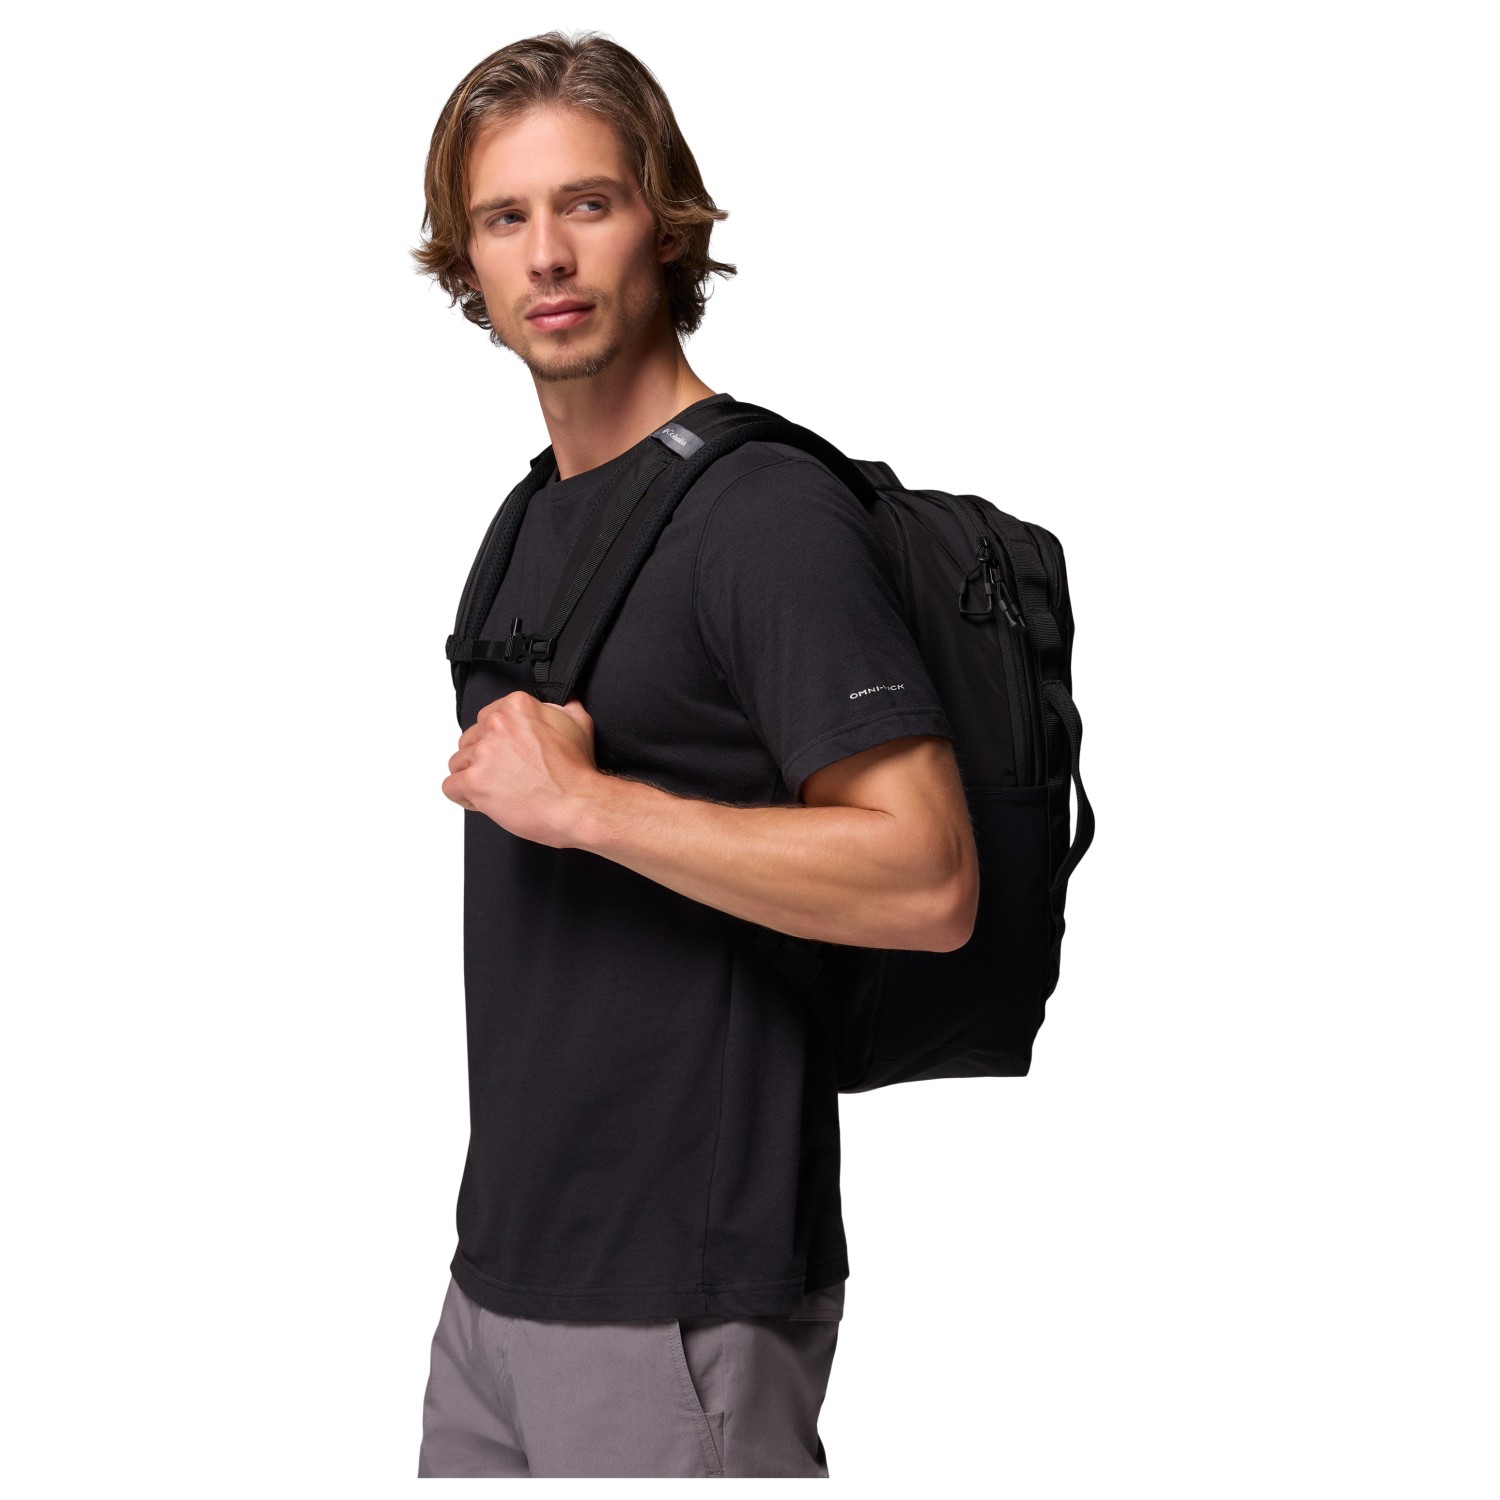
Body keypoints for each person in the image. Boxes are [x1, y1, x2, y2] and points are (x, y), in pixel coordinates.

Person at [410, 30, 979, 1479]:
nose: (547, 254)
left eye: (587, 204)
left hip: (678, 1307)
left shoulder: (763, 516)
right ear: (466, 259)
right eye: (504, 217)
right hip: (500, 1286)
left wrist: (591, 806)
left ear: (663, 226)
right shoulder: (534, 514)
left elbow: (929, 878)